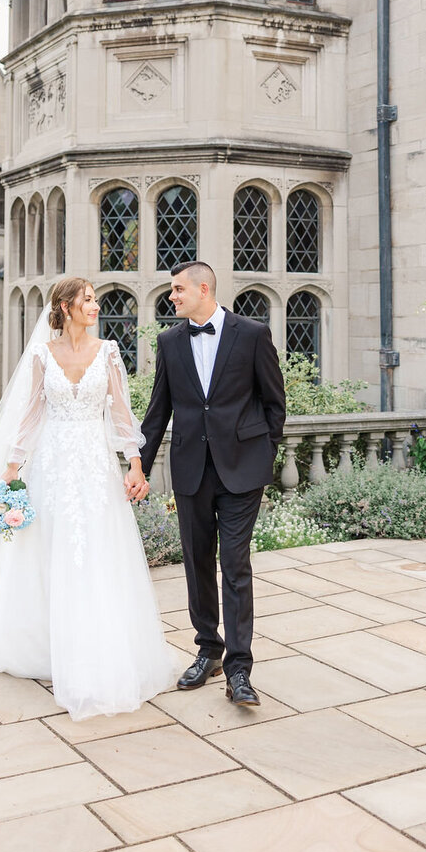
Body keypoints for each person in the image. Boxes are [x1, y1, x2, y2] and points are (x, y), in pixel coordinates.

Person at [0, 277, 177, 721]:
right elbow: (33, 413)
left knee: (96, 549)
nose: (96, 306)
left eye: (96, 300)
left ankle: (97, 642)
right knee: (47, 549)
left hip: (95, 468)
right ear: (66, 306)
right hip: (52, 466)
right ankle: (43, 644)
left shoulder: (110, 352)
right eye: (88, 300)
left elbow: (121, 413)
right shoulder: (43, 354)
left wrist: (135, 464)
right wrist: (12, 465)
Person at [140, 261, 286, 706]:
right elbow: (158, 409)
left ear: (204, 289)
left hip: (243, 469)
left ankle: (240, 670)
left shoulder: (252, 333)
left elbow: (274, 401)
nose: (172, 296)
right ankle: (209, 651)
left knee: (235, 566)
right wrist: (138, 466)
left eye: (178, 289)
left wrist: (265, 452)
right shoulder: (169, 342)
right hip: (191, 469)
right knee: (197, 562)